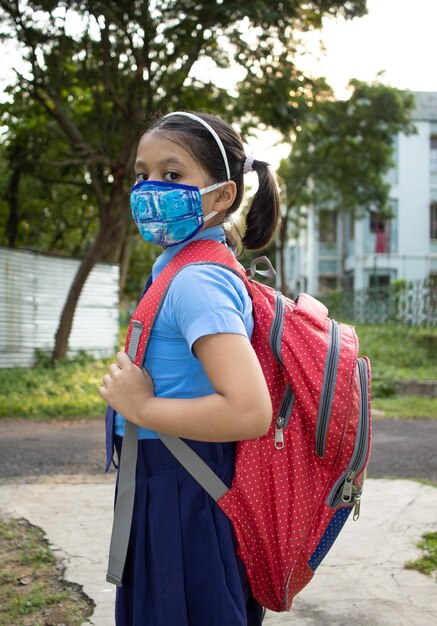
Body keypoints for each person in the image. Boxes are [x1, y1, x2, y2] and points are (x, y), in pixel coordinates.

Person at [99, 110, 279, 626]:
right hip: (170, 482)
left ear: (221, 196)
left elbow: (249, 410)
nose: (150, 188)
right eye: (142, 174)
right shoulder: (182, 266)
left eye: (172, 175)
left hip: (186, 489)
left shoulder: (197, 281)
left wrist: (143, 407)